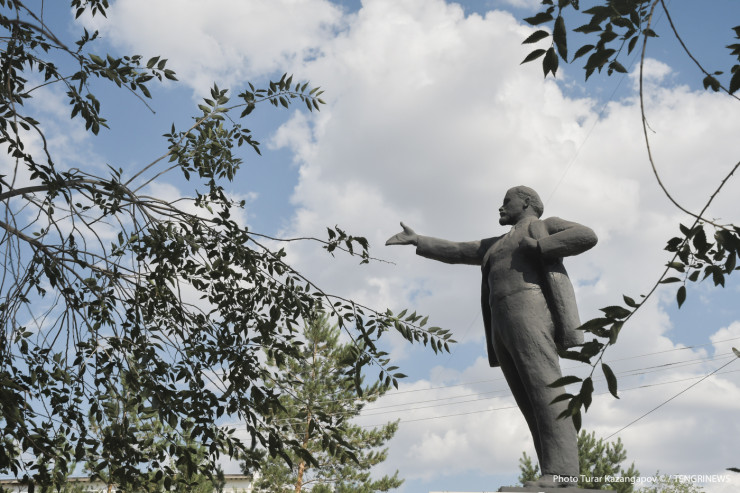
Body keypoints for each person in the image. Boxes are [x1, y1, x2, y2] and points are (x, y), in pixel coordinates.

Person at [386, 186, 597, 488]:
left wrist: (540, 246)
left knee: (546, 390)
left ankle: (563, 474)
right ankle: (551, 473)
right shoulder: (496, 244)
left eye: (507, 201)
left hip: (530, 312)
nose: (501, 207)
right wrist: (418, 240)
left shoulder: (543, 226)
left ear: (526, 203)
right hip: (501, 321)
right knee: (529, 401)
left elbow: (586, 235)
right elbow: (459, 251)